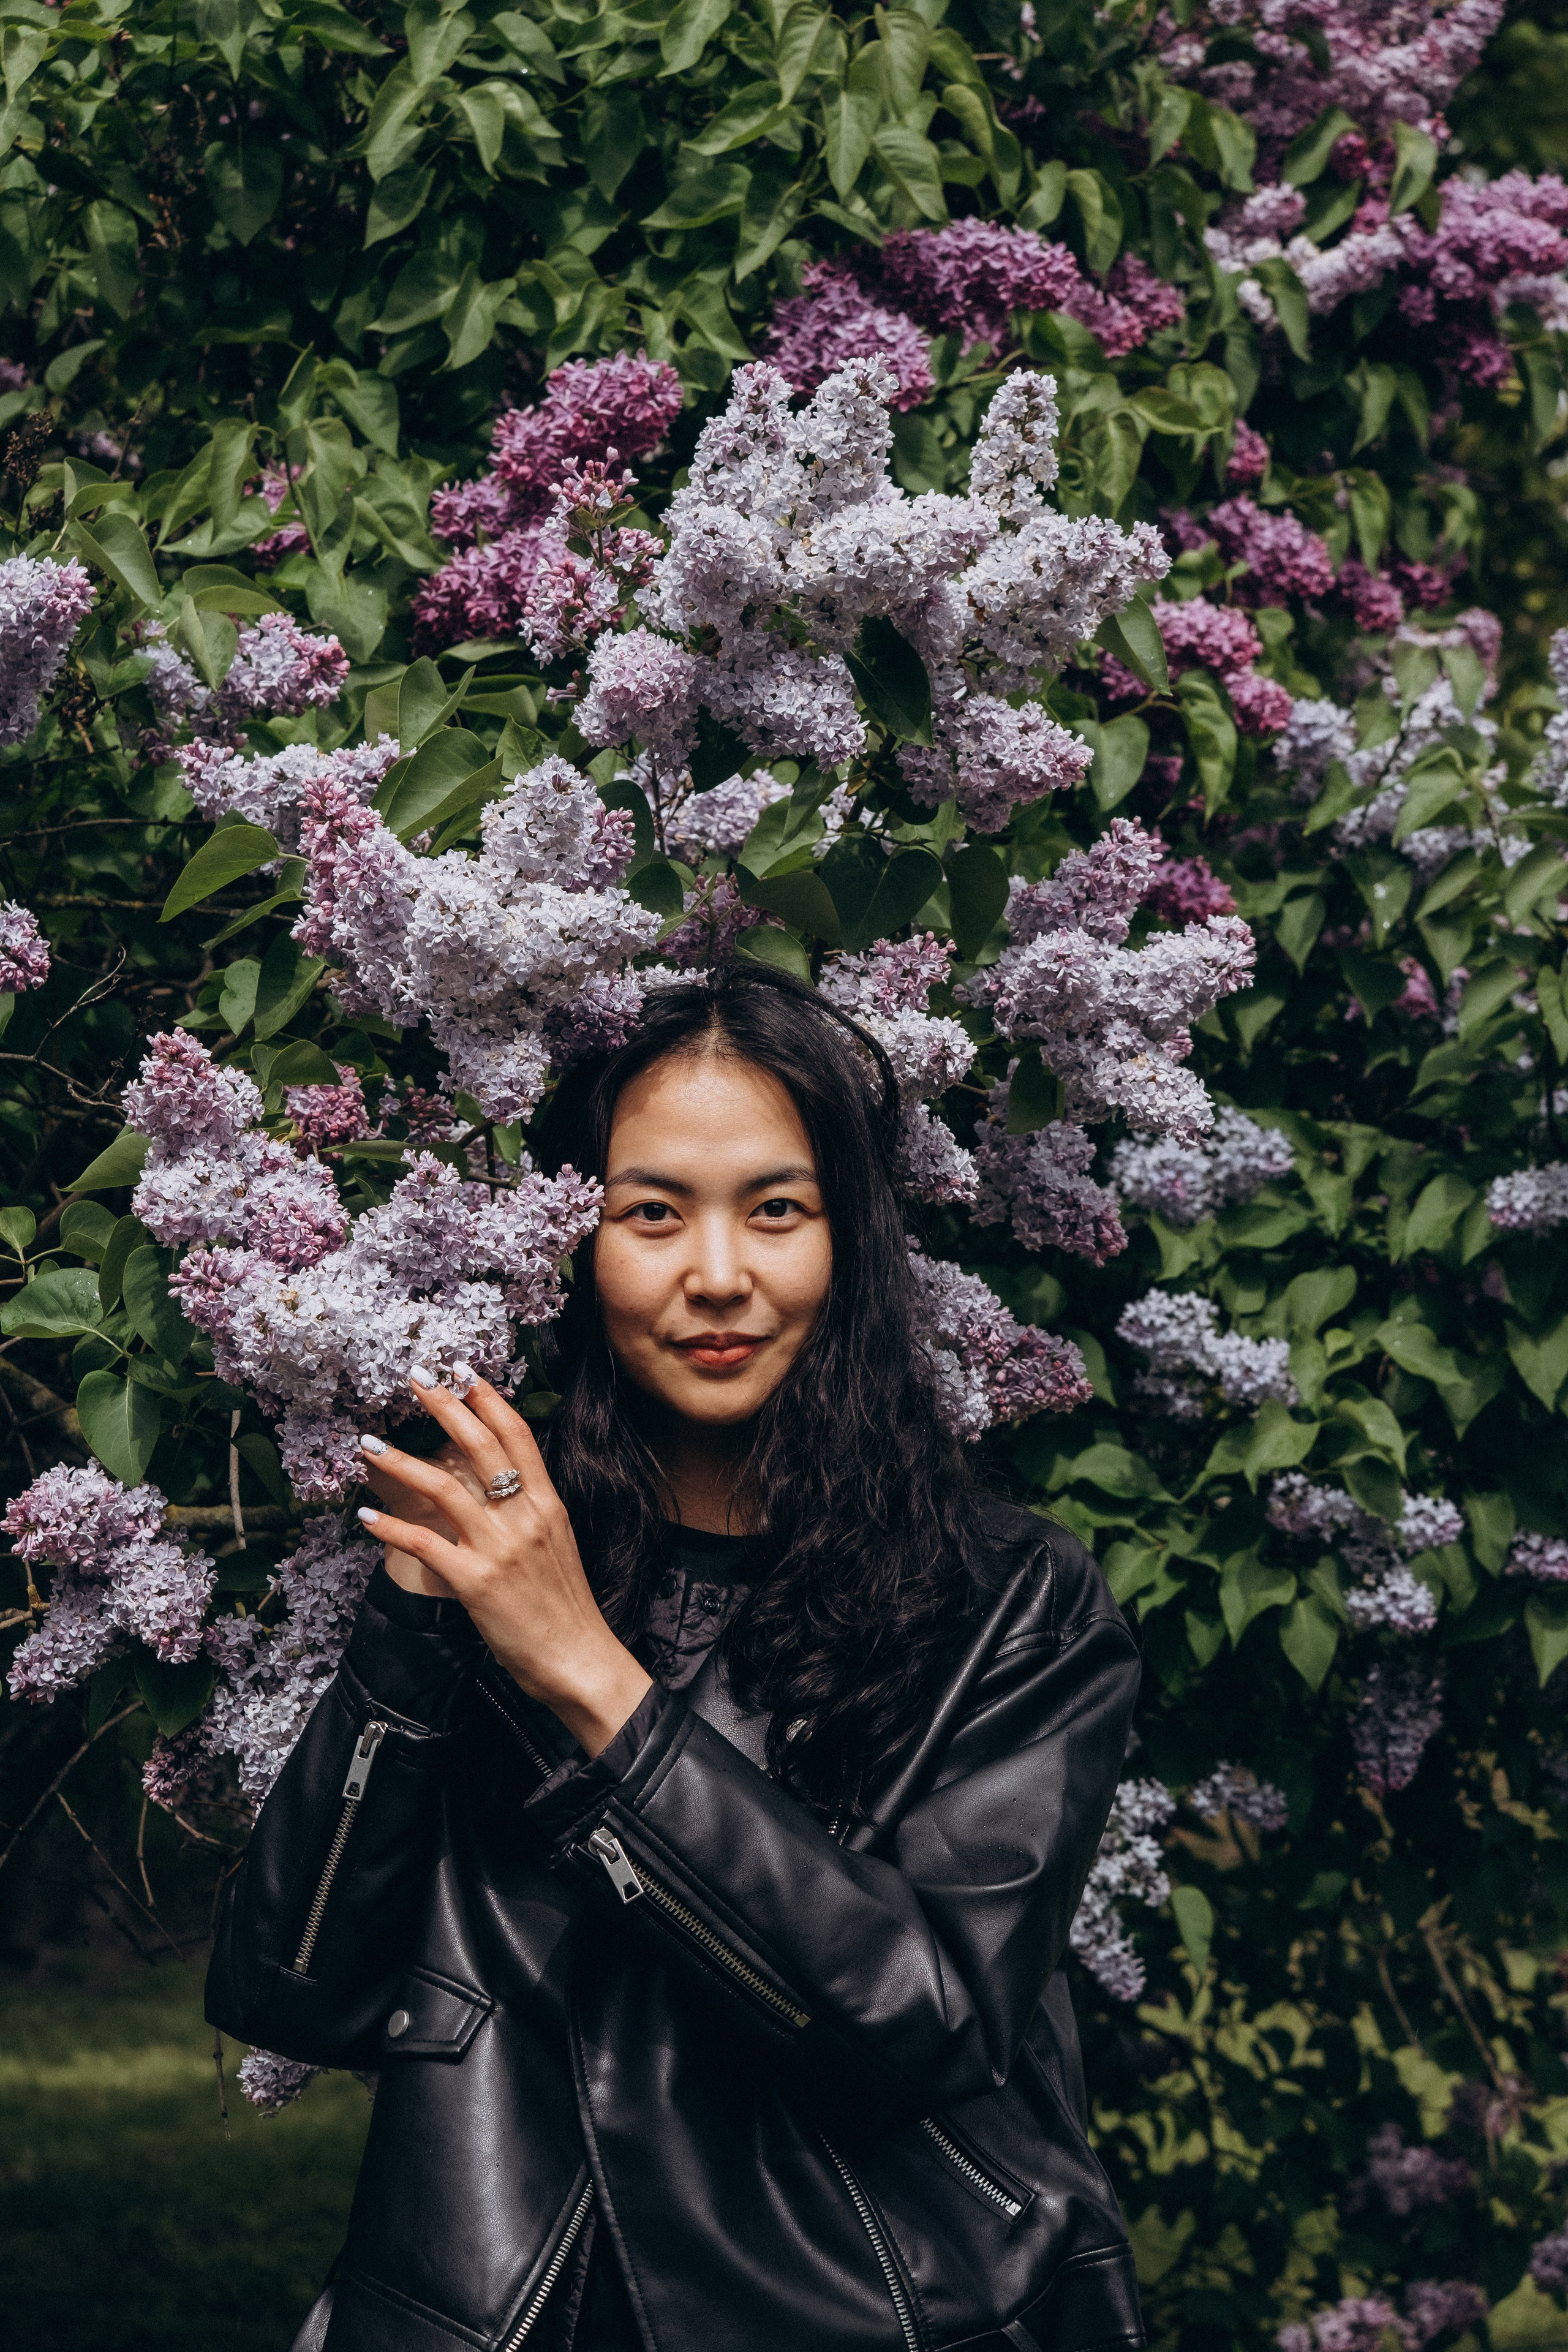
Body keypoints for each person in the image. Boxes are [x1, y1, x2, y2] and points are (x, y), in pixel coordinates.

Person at [206, 967, 1146, 2352]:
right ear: (573, 1244)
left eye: (776, 1210)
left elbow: (921, 2022)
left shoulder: (1009, 1604)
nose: (718, 1276)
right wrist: (412, 1632)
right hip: (506, 2310)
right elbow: (295, 1991)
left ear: (850, 1243)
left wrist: (587, 1672)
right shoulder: (500, 1557)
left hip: (872, 2311)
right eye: (652, 1213)